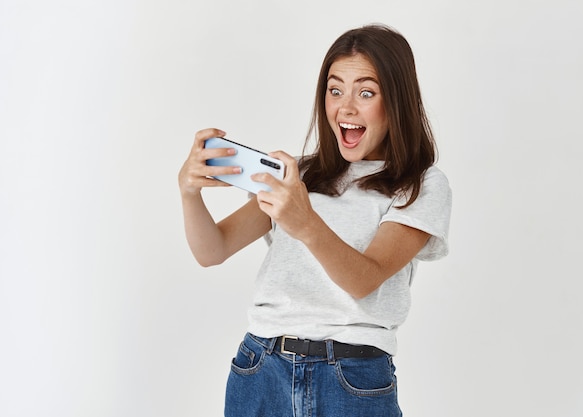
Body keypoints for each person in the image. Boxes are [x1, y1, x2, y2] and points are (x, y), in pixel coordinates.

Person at [178, 24, 452, 417]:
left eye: (366, 92)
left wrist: (305, 222)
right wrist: (189, 193)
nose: (346, 107)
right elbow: (212, 250)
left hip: (351, 379)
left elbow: (364, 278)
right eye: (335, 89)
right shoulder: (300, 176)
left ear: (397, 102)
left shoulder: (421, 185)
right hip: (260, 368)